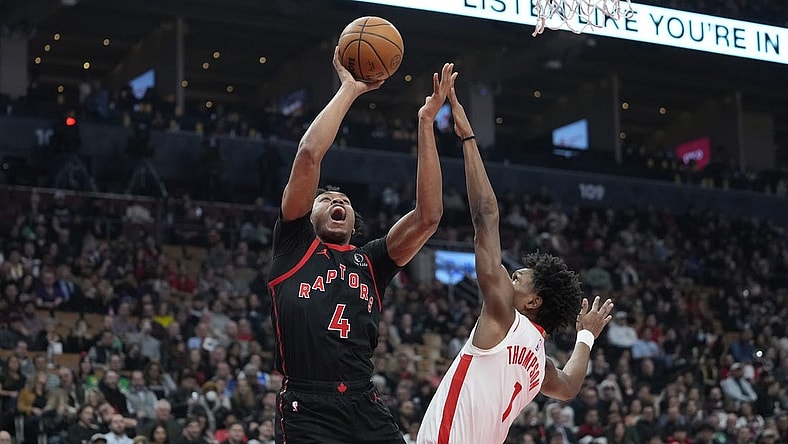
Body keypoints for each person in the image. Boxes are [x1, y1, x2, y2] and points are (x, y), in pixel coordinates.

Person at [267, 46, 455, 444]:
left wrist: (425, 122)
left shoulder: (370, 261)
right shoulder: (293, 246)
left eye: (345, 202)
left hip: (363, 400)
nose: (337, 201)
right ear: (308, 215)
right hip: (308, 404)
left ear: (354, 223)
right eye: (326, 199)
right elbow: (308, 155)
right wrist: (349, 90)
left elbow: (429, 216)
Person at [416, 84, 615, 444]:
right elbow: (569, 386)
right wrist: (585, 335)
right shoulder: (538, 363)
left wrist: (467, 137)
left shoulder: (503, 319)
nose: (512, 273)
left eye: (521, 277)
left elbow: (486, 216)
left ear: (532, 302)